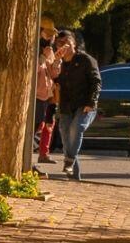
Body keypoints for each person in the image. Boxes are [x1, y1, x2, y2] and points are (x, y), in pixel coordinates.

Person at [52, 31, 101, 180]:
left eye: (66, 42)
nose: (63, 46)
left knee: (76, 128)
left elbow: (96, 82)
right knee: (65, 135)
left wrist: (91, 102)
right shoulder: (59, 62)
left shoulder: (86, 60)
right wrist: (56, 62)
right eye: (59, 44)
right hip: (66, 105)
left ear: (74, 43)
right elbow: (53, 78)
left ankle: (69, 162)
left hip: (85, 104)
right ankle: (73, 175)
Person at [35, 37, 57, 165]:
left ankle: (44, 154)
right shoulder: (36, 51)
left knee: (48, 124)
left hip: (48, 95)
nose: (52, 37)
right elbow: (33, 71)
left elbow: (54, 74)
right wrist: (43, 56)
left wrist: (57, 60)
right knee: (36, 127)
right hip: (37, 96)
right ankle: (27, 163)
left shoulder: (50, 51)